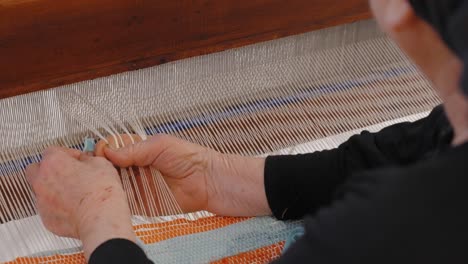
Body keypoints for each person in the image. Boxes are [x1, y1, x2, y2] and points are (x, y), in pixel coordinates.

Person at [25, 0, 468, 263]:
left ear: (398, 11)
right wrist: (219, 178)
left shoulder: (406, 229)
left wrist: (97, 219)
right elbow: (422, 145)